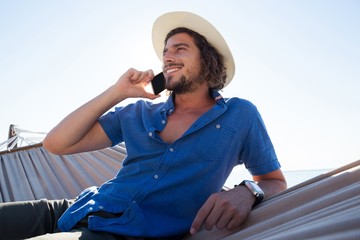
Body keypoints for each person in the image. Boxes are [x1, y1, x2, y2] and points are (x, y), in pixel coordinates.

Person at [0, 11, 286, 240]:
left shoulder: (240, 114)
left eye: (180, 49)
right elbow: (57, 143)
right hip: (73, 207)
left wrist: (248, 191)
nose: (168, 57)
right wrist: (117, 92)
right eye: (165, 52)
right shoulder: (138, 112)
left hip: (119, 233)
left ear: (208, 60)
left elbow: (275, 181)